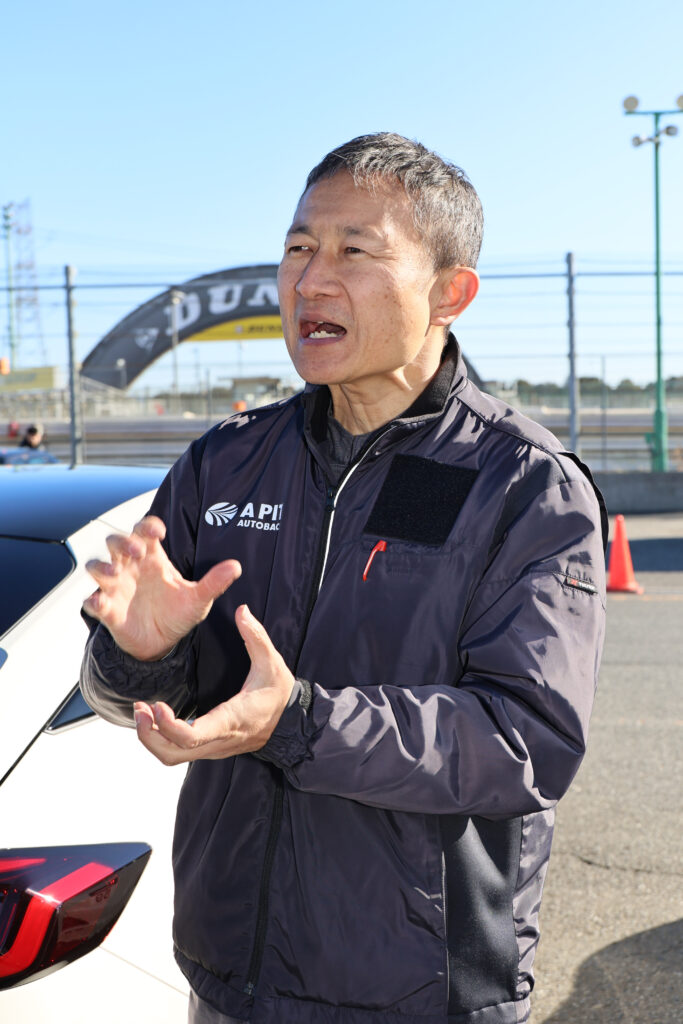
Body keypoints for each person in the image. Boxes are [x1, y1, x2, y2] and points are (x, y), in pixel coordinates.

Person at [80, 133, 607, 1024]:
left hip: (417, 991)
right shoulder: (226, 462)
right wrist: (140, 658)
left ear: (449, 294)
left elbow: (526, 741)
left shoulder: (523, 483)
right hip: (230, 978)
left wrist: (300, 721)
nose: (309, 281)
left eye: (355, 252)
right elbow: (125, 694)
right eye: (298, 247)